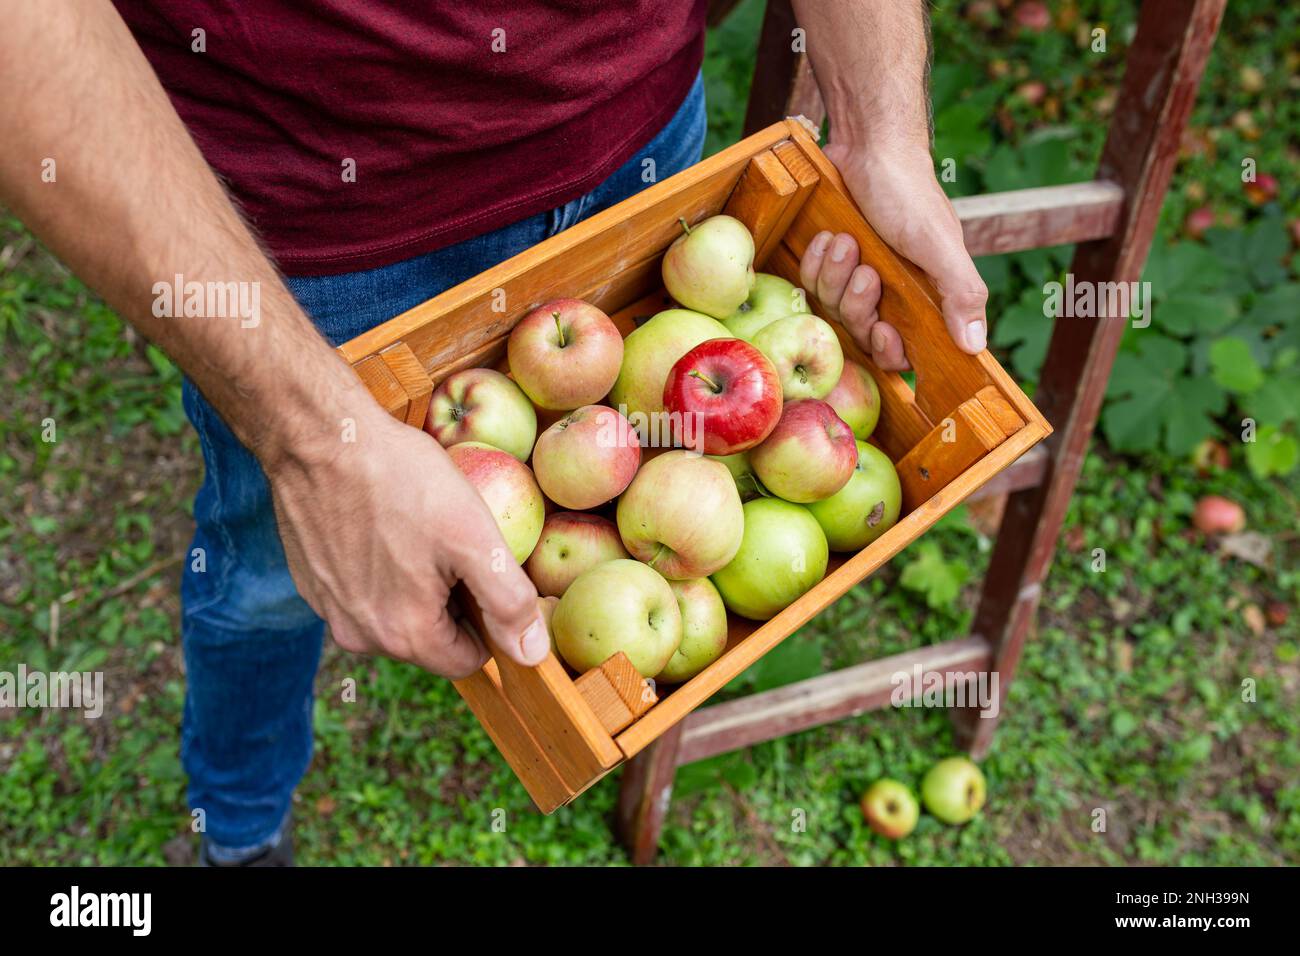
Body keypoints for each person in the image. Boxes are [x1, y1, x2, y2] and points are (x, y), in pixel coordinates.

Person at [0, 0, 988, 865]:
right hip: (318, 220)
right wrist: (311, 441)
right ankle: (241, 821)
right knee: (263, 578)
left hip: (639, 143)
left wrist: (878, 126)